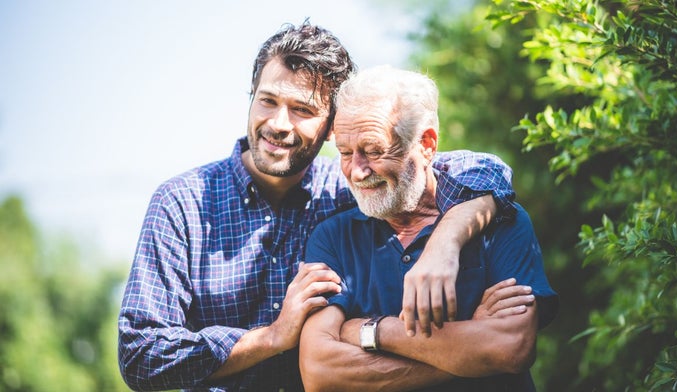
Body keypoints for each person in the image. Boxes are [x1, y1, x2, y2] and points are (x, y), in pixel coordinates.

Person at [118, 23, 517, 391]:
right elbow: (140, 355)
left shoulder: (352, 189)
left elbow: (483, 170)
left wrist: (445, 243)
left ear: (332, 127)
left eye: (303, 110)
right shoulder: (181, 203)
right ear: (251, 98)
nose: (278, 123)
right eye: (267, 101)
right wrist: (272, 336)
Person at [299, 65, 559, 391]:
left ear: (426, 144)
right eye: (345, 153)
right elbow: (319, 372)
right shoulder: (333, 238)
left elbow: (511, 348)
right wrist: (468, 350)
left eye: (374, 151)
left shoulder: (501, 222)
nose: (358, 172)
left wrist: (372, 331)